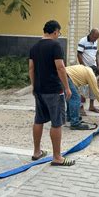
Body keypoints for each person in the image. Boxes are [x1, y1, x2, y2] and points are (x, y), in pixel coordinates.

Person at [29, 20, 74, 166]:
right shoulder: (55, 45)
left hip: (39, 90)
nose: (58, 36)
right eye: (59, 33)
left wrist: (34, 86)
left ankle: (37, 152)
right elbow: (60, 68)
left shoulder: (34, 47)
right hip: (54, 90)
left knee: (39, 120)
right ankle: (57, 157)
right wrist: (67, 87)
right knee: (57, 122)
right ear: (55, 31)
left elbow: (31, 68)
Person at [65, 64, 99, 130]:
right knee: (76, 99)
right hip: (68, 77)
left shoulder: (83, 69)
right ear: (95, 72)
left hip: (62, 75)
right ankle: (75, 123)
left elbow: (79, 88)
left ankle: (70, 117)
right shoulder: (91, 74)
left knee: (71, 97)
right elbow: (96, 91)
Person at [77, 28, 99, 114]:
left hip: (93, 68)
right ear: (90, 34)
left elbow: (96, 53)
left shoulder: (96, 41)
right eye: (94, 37)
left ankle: (91, 106)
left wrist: (98, 65)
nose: (95, 39)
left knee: (93, 87)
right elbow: (79, 54)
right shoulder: (83, 41)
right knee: (83, 88)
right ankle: (81, 107)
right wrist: (83, 67)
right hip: (85, 68)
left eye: (97, 38)